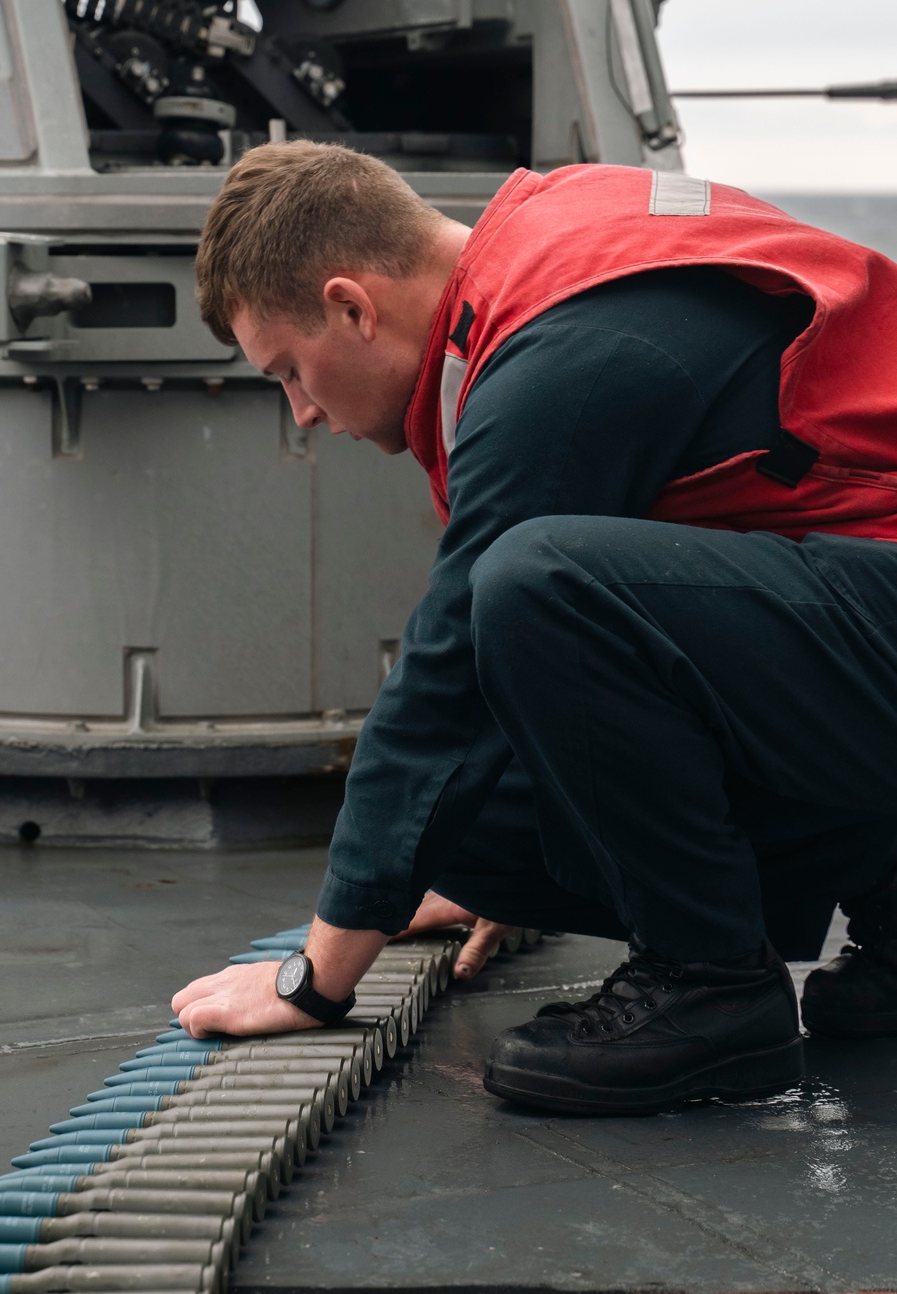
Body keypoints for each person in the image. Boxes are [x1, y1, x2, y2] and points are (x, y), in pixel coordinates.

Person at [172, 141, 897, 1116]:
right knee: (469, 836)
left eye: (291, 370)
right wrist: (421, 873)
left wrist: (317, 976)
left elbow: (453, 668)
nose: (301, 410)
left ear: (351, 305)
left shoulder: (566, 346)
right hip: (861, 631)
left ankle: (710, 988)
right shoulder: (549, 246)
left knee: (534, 582)